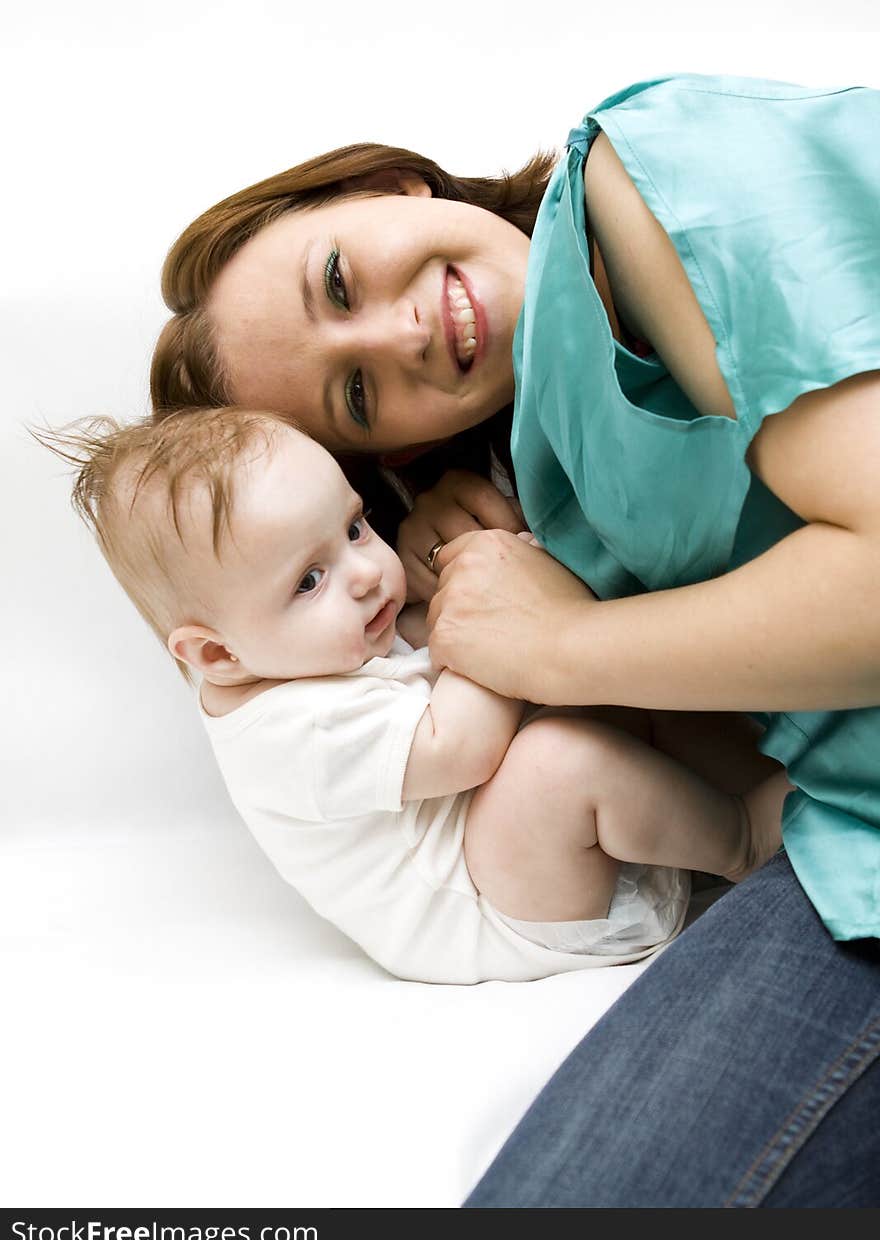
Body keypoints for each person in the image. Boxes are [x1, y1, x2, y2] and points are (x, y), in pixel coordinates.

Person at [149, 74, 880, 1202]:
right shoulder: (560, 476)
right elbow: (770, 741)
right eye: (354, 395)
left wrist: (554, 645)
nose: (397, 332)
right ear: (391, 456)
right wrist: (469, 572)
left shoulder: (636, 179)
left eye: (337, 276)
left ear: (382, 183)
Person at [44, 405, 792, 985]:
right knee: (552, 758)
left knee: (602, 687)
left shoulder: (311, 650)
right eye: (309, 579)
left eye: (355, 527)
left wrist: (470, 599)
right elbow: (460, 747)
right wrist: (490, 618)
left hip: (537, 859)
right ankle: (737, 840)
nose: (366, 571)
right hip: (508, 915)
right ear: (217, 653)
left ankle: (754, 773)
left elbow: (425, 643)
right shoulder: (289, 738)